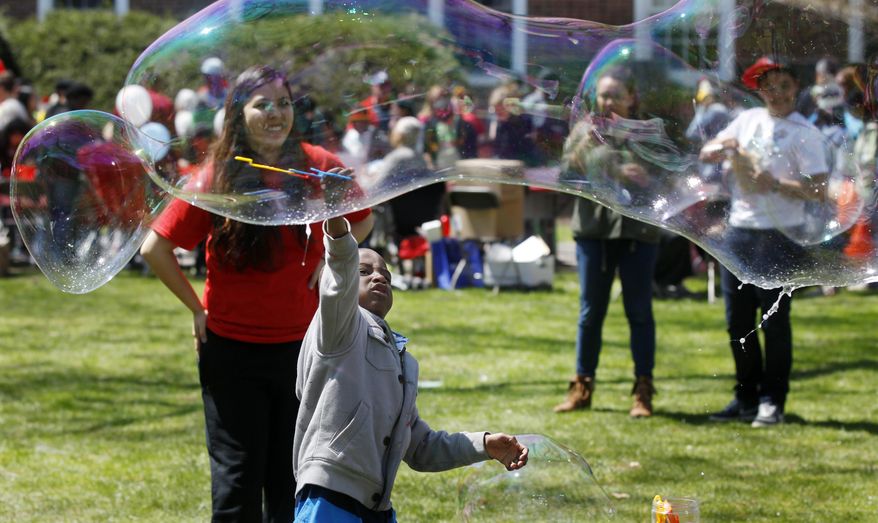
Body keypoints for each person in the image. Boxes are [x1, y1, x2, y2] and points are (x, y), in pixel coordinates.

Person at [140, 65, 374, 522]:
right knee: (237, 481)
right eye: (261, 103)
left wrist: (330, 258)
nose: (275, 113)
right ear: (237, 113)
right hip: (231, 352)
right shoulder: (216, 178)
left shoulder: (319, 166)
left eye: (283, 103)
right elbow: (156, 247)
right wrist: (197, 307)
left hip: (306, 351)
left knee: (292, 479)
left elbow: (361, 218)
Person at [293, 214, 528, 522]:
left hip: (376, 506)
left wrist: (482, 444)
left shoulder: (400, 358)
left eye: (386, 276)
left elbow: (419, 445)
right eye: (363, 271)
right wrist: (338, 230)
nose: (378, 278)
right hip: (330, 495)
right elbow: (338, 277)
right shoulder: (338, 329)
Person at [701, 57, 828, 427]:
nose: (777, 93)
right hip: (739, 231)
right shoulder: (748, 120)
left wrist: (774, 184)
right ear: (761, 90)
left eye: (784, 86)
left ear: (796, 89)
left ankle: (773, 401)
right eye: (769, 86)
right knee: (736, 321)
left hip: (780, 236)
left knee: (774, 323)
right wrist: (720, 147)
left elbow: (819, 190)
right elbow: (707, 151)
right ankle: (745, 398)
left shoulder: (805, 133)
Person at [554, 66, 662, 418]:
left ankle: (643, 391)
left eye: (616, 94)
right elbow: (565, 177)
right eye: (603, 94)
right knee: (590, 313)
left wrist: (647, 177)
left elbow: (668, 177)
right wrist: (583, 147)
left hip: (636, 234)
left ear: (631, 97)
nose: (608, 100)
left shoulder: (648, 131)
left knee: (639, 313)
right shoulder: (585, 130)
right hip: (594, 232)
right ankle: (581, 387)